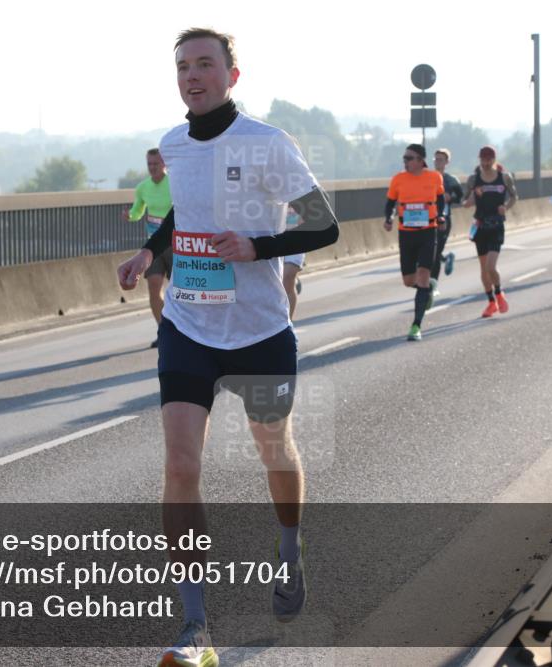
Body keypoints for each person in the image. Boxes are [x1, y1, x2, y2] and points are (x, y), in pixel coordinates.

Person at [115, 28, 339, 667]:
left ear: (231, 76)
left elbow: (324, 223)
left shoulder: (269, 145)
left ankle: (290, 550)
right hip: (188, 325)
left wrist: (257, 247)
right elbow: (181, 214)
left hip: (261, 329)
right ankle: (194, 627)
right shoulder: (173, 146)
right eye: (183, 66)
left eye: (205, 64)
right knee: (182, 466)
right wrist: (148, 251)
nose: (192, 75)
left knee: (275, 448)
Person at [384, 143, 446, 341]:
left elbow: (441, 199)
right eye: (404, 158)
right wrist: (388, 218)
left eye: (409, 158)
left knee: (423, 276)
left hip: (428, 232)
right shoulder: (398, 179)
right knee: (409, 281)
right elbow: (390, 203)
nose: (406, 161)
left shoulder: (434, 177)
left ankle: (416, 325)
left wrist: (442, 216)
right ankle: (427, 288)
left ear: (420, 160)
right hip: (406, 233)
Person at [124, 149, 173, 347]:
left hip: (176, 245)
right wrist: (130, 216)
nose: (152, 168)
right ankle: (164, 331)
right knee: (154, 288)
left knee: (179, 291)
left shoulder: (174, 183)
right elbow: (137, 211)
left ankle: (183, 332)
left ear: (164, 164)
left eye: (156, 163)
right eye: (149, 164)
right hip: (153, 246)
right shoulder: (142, 188)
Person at [463, 146, 517, 317]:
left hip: (496, 226)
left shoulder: (504, 177)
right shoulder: (474, 179)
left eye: (488, 160)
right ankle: (491, 302)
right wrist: (469, 200)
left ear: (494, 160)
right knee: (483, 269)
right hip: (480, 226)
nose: (485, 163)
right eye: (483, 160)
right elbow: (465, 200)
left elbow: (514, 196)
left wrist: (505, 207)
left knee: (491, 266)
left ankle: (499, 293)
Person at [432, 148, 464, 287]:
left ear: (447, 162)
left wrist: (450, 197)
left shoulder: (451, 180)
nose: (437, 162)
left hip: (444, 219)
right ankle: (446, 259)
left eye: (440, 159)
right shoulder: (427, 177)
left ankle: (432, 286)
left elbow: (461, 197)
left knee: (435, 252)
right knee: (428, 252)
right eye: (436, 159)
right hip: (427, 219)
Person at [282, 206, 305, 319]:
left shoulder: (297, 192)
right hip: (272, 240)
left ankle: (288, 322)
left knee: (287, 279)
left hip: (295, 240)